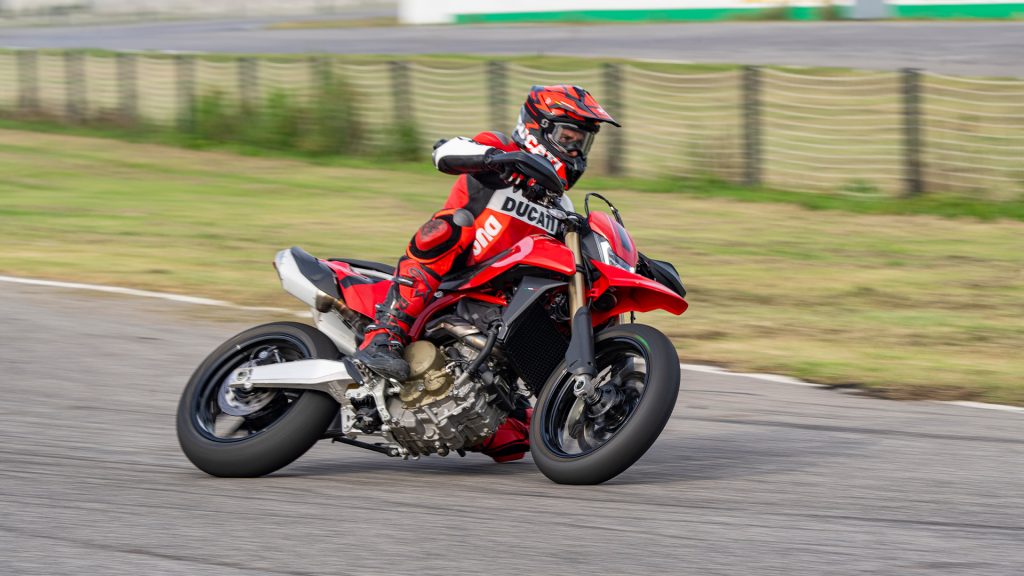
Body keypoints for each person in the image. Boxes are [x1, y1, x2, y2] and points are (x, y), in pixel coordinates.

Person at [354, 84, 619, 461]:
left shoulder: (562, 205)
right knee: (449, 227)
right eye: (568, 138)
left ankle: (479, 403)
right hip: (453, 280)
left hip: (497, 301)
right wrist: (499, 159)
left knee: (519, 439)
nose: (576, 151)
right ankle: (385, 335)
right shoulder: (501, 152)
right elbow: (445, 152)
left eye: (583, 143)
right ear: (538, 129)